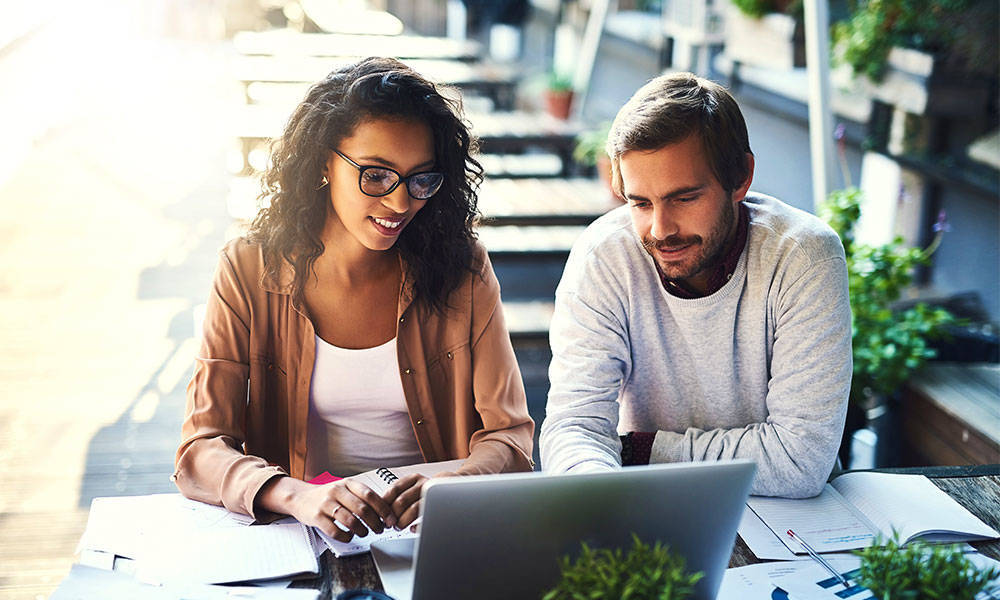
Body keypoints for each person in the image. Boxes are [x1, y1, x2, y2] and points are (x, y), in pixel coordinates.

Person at [174, 57, 534, 542]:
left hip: (431, 534)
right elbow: (201, 447)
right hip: (303, 534)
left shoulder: (461, 270)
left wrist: (453, 486)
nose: (401, 203)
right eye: (377, 175)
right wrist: (295, 495)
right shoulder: (248, 269)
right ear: (324, 161)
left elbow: (510, 437)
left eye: (421, 178)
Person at [539, 72, 851, 498]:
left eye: (684, 198)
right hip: (650, 505)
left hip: (792, 522)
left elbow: (800, 460)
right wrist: (599, 498)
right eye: (640, 203)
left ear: (741, 177)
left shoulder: (804, 257)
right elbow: (573, 428)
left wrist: (641, 451)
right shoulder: (604, 257)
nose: (660, 230)